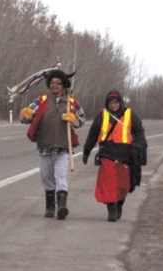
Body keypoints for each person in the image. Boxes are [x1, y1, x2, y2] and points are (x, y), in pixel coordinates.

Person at [20, 70, 85, 220]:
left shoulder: (71, 102)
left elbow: (81, 120)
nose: (54, 85)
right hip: (44, 145)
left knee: (60, 176)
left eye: (57, 83)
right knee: (47, 177)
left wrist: (73, 119)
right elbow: (27, 117)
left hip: (63, 146)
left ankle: (62, 206)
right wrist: (26, 114)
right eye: (52, 83)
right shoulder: (42, 100)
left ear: (63, 86)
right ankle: (50, 207)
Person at [81, 89, 147, 222]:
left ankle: (119, 203)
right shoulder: (102, 115)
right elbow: (93, 134)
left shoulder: (130, 114)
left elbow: (139, 133)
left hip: (125, 154)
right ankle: (111, 209)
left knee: (124, 185)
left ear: (120, 102)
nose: (113, 105)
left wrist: (139, 147)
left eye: (116, 102)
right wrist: (86, 151)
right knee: (108, 183)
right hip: (107, 153)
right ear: (107, 103)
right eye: (111, 102)